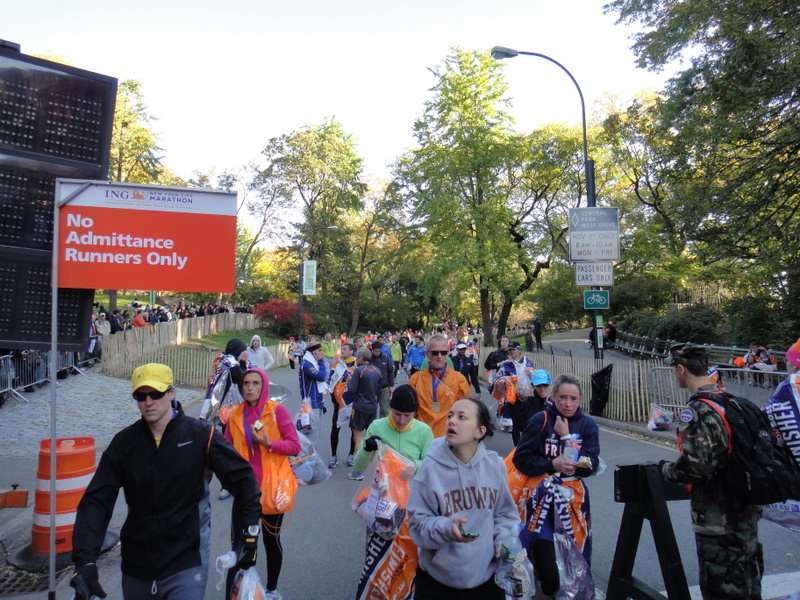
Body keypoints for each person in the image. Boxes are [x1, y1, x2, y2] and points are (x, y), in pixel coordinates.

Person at [70, 364, 262, 600]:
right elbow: (97, 501)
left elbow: (243, 479)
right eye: (141, 396)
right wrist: (85, 561)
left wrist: (249, 532)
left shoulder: (201, 435)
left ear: (171, 392)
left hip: (186, 561)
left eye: (156, 393)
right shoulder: (125, 444)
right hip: (137, 564)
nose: (148, 402)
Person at [660, 344, 763, 600]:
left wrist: (667, 470)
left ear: (682, 369)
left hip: (718, 519)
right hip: (746, 511)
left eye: (675, 370)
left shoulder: (697, 411)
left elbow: (697, 467)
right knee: (749, 584)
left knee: (723, 588)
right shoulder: (732, 403)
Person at [407, 397, 520, 600]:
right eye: (450, 415)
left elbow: (504, 514)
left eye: (462, 417)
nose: (452, 421)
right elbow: (416, 524)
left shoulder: (495, 465)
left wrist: (502, 542)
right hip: (437, 582)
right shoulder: (430, 468)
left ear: (480, 431)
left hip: (486, 580)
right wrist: (446, 528)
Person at [513, 373, 600, 600]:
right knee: (550, 572)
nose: (568, 404)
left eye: (574, 399)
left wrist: (568, 439)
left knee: (574, 563)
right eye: (563, 397)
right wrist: (552, 463)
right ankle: (543, 588)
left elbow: (592, 464)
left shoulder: (588, 425)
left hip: (572, 503)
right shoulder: (540, 420)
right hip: (541, 502)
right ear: (553, 397)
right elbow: (521, 459)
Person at [225, 368, 302, 600]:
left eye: (255, 383)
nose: (249, 388)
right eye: (246, 383)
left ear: (263, 386)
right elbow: (226, 451)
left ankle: (271, 588)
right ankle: (244, 589)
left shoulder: (276, 411)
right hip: (245, 490)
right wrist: (228, 482)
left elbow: (294, 446)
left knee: (270, 540)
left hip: (273, 487)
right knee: (243, 541)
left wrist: (269, 444)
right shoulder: (234, 415)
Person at [353, 385, 434, 600]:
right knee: (377, 552)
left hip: (410, 505)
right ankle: (375, 590)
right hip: (380, 503)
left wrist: (415, 464)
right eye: (397, 414)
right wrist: (367, 449)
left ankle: (405, 591)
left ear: (414, 414)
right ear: (390, 410)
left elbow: (430, 464)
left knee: (406, 553)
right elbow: (359, 467)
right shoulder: (377, 426)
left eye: (407, 415)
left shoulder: (424, 431)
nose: (400, 420)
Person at [408, 335, 473, 438]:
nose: (439, 356)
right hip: (422, 440)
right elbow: (409, 413)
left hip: (449, 441)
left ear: (448, 353)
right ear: (427, 354)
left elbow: (468, 413)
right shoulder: (416, 379)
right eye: (434, 353)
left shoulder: (459, 379)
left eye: (443, 353)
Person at [345, 347, 383, 480]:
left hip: (360, 407)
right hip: (372, 407)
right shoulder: (377, 371)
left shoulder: (358, 370)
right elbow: (379, 390)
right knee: (372, 438)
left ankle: (358, 471)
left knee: (358, 437)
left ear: (360, 357)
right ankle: (375, 470)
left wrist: (349, 379)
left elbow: (352, 389)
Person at [327, 342, 357, 469]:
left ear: (351, 351)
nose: (342, 351)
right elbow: (331, 380)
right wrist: (333, 398)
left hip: (352, 402)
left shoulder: (356, 364)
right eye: (342, 349)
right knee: (335, 428)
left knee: (353, 430)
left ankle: (351, 454)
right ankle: (333, 456)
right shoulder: (336, 363)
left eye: (345, 349)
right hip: (338, 403)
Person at [510, 369, 552, 446]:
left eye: (545, 385)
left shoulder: (554, 403)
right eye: (538, 386)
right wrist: (532, 402)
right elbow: (524, 426)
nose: (542, 389)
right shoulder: (527, 403)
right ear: (532, 387)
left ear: (550, 386)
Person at [299, 341, 328, 447]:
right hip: (311, 403)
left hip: (318, 402)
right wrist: (321, 362)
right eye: (319, 351)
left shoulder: (312, 363)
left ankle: (312, 461)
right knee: (312, 437)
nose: (321, 353)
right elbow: (321, 376)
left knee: (316, 435)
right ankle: (309, 461)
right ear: (313, 352)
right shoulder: (306, 364)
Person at [369, 336, 395, 418]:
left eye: (379, 351)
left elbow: (390, 371)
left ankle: (382, 427)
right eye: (376, 351)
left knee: (384, 410)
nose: (377, 353)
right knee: (371, 410)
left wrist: (391, 385)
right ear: (372, 350)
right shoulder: (369, 359)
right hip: (372, 388)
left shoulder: (385, 358)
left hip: (384, 387)